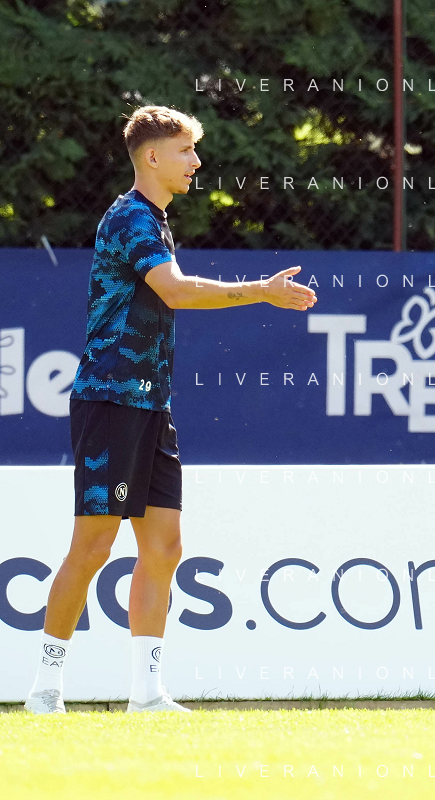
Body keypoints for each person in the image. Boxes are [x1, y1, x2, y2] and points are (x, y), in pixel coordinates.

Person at [24, 105, 317, 714]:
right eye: (186, 150)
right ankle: (45, 690)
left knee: (163, 547)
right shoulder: (132, 217)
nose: (196, 162)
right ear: (153, 156)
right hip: (111, 400)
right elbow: (176, 291)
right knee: (93, 546)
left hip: (151, 406)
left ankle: (147, 694)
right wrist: (261, 291)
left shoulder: (154, 218)